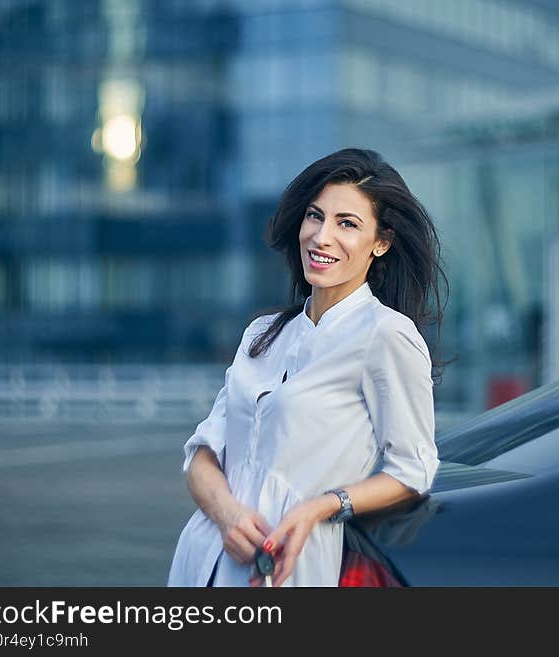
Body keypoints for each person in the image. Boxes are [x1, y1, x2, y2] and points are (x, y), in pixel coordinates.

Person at [168, 148, 450, 587]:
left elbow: (413, 470)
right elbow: (203, 453)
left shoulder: (386, 336)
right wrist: (228, 516)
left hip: (292, 565)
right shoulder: (262, 333)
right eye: (315, 217)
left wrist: (319, 507)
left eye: (347, 224)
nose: (321, 236)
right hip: (204, 556)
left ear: (382, 241)